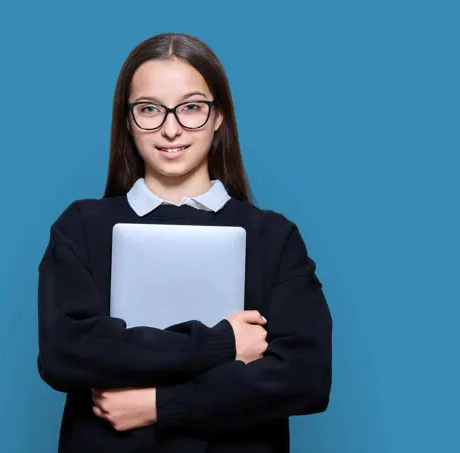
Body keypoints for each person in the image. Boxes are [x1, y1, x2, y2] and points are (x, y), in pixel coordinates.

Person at [36, 32, 332, 453]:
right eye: (149, 109)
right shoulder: (82, 226)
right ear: (127, 120)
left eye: (192, 107)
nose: (171, 129)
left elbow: (306, 377)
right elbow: (66, 352)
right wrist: (223, 344)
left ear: (219, 117)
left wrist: (161, 404)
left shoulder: (273, 238)